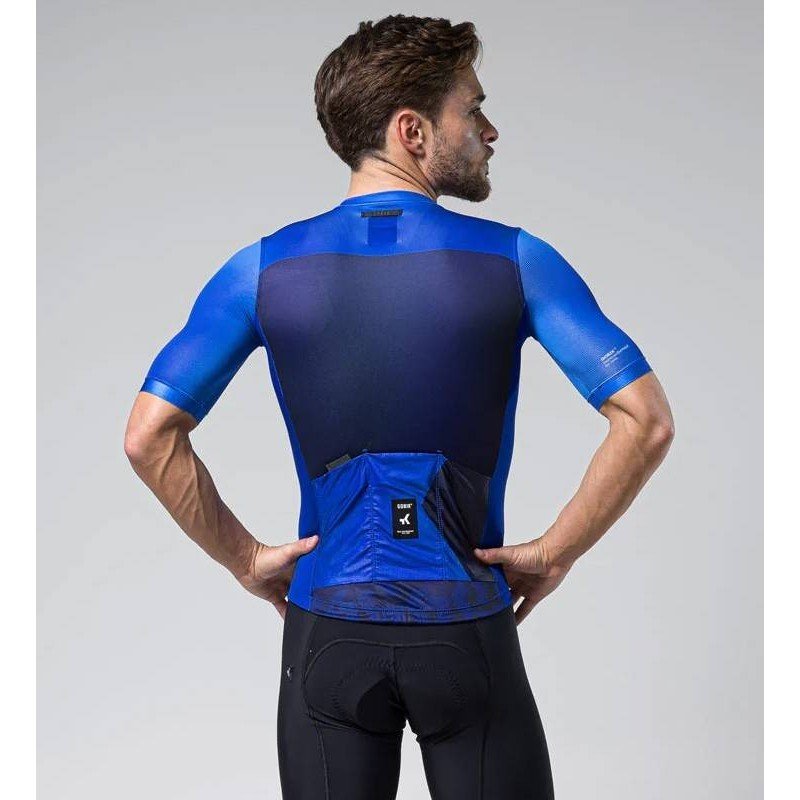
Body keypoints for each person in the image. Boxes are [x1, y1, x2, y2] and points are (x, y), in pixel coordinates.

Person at [124, 14, 674, 800]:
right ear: (412, 130)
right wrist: (556, 553)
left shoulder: (260, 270)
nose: (490, 131)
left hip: (326, 633)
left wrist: (246, 560)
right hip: (466, 627)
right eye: (472, 109)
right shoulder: (517, 261)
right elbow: (646, 419)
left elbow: (149, 436)